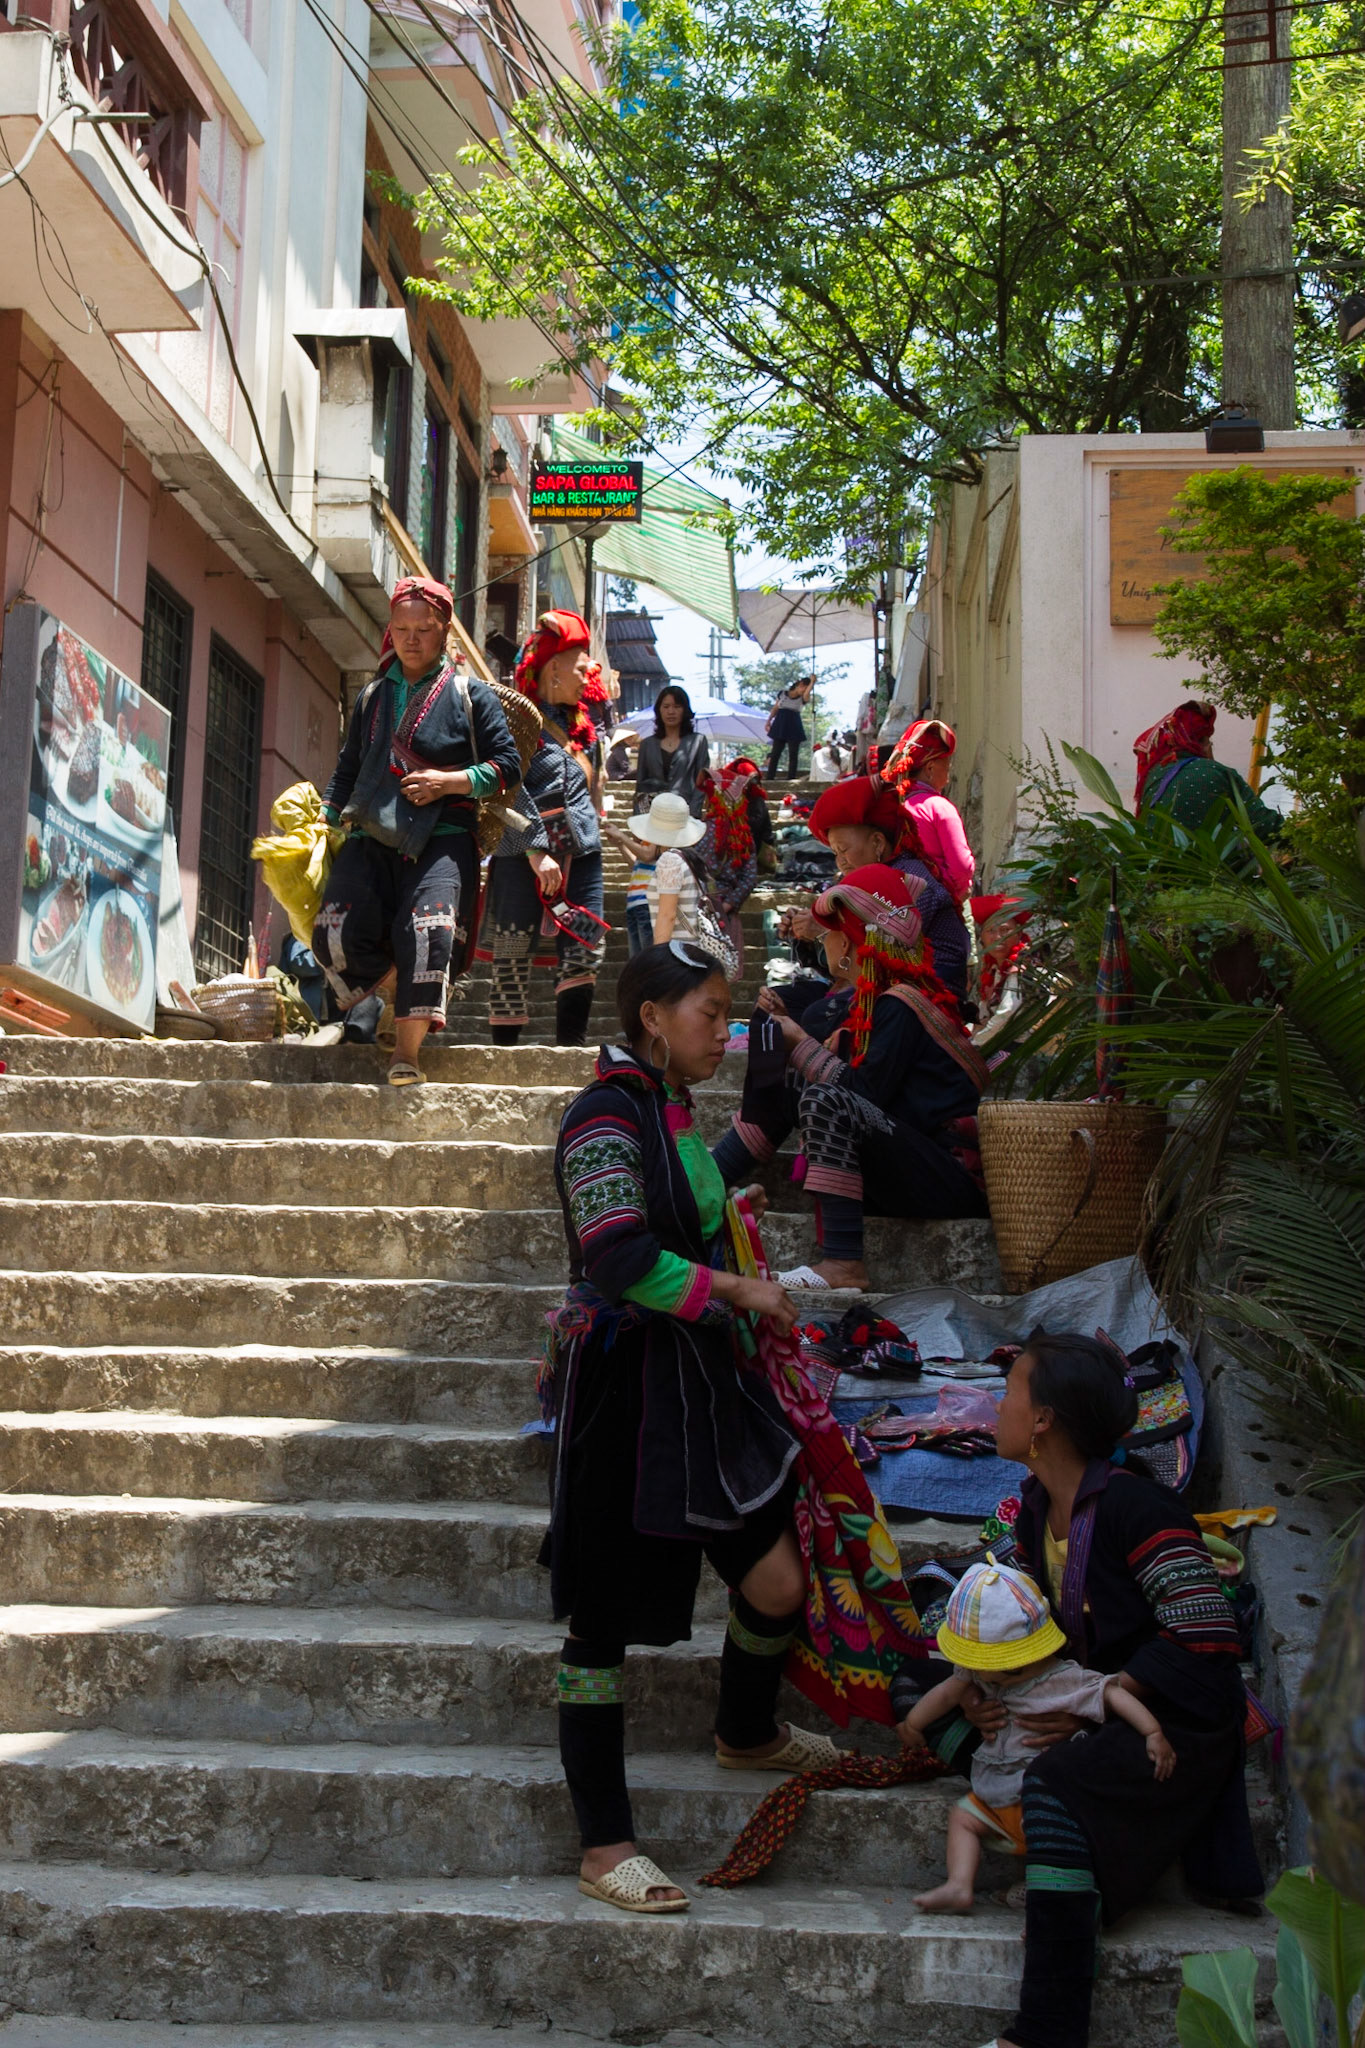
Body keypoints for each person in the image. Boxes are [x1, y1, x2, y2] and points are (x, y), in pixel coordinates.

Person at [544, 943, 843, 1914]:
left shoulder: (666, 1112)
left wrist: (741, 1184)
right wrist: (742, 1284)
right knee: (598, 1628)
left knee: (776, 1576)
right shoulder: (600, 1114)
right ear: (650, 1020)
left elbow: (682, 1203)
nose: (724, 1029)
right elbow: (621, 1253)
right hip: (627, 1397)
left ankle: (746, 1727)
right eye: (709, 1013)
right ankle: (605, 1843)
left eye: (727, 1013)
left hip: (701, 1386)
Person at [969, 1333, 1262, 2048]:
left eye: (1009, 1392)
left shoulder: (1139, 1509)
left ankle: (1046, 2031)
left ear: (1042, 1422)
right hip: (1089, 1701)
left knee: (1053, 1783)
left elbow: (1206, 1635)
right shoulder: (1036, 1509)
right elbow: (1026, 1629)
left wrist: (1092, 1704)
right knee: (928, 1695)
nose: (995, 1407)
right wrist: (986, 1688)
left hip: (1172, 1721)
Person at [713, 864, 988, 1290]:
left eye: (830, 933)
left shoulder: (901, 1005)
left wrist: (801, 1041)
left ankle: (843, 1262)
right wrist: (794, 1044)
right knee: (792, 1074)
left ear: (851, 944)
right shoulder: (878, 1002)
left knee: (827, 1098)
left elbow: (864, 1097)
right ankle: (706, 1182)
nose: (826, 942)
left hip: (943, 1176)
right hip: (902, 1163)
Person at [314, 575, 522, 1085]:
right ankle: (392, 988)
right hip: (369, 834)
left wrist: (450, 781)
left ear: (444, 630)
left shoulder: (471, 696)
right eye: (402, 628)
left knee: (430, 932)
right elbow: (348, 768)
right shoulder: (370, 698)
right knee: (331, 929)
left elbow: (509, 765)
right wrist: (323, 819)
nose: (411, 639)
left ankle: (405, 1053)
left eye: (424, 630)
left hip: (445, 837)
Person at [897, 1557, 1174, 1914]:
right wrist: (914, 1724)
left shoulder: (1064, 1680)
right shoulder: (985, 1673)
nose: (974, 1673)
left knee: (1056, 1835)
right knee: (963, 1817)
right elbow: (947, 1692)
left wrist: (1152, 1732)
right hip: (995, 1798)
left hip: (1040, 1803)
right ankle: (959, 1885)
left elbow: (1113, 1692)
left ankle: (1049, 1894)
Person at [480, 609, 607, 1047]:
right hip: (522, 855)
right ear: (553, 668)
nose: (588, 672)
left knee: (587, 945)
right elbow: (505, 789)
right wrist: (535, 849)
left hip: (582, 852)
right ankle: (504, 1053)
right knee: (512, 952)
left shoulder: (583, 731)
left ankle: (571, 1049)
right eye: (579, 663)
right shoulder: (516, 720)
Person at [805, 775, 969, 1001]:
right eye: (835, 854)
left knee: (819, 1015)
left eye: (844, 850)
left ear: (878, 843)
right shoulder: (872, 884)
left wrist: (825, 930)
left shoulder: (909, 879)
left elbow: (887, 946)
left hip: (931, 993)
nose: (840, 861)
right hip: (896, 985)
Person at [1133, 699, 1282, 836]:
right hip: (1205, 864)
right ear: (1202, 744)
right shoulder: (1216, 772)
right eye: (1210, 742)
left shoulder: (1153, 775)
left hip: (1154, 863)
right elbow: (1262, 824)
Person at [881, 717, 975, 903]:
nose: (948, 777)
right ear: (930, 769)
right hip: (940, 903)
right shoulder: (938, 807)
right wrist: (959, 892)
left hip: (899, 907)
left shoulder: (893, 807)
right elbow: (962, 867)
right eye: (946, 768)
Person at [696, 756, 774, 975]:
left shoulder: (697, 831)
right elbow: (750, 878)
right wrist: (727, 905)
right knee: (722, 973)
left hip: (697, 908)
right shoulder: (744, 835)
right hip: (727, 914)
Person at [629, 791, 709, 945]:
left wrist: (659, 955)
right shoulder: (688, 858)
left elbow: (667, 915)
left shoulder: (669, 861)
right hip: (691, 951)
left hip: (677, 953)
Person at [634, 686, 711, 807]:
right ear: (659, 710)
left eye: (677, 707)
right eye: (666, 707)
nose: (671, 712)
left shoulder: (698, 741)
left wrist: (693, 814)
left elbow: (701, 783)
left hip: (685, 812)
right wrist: (640, 818)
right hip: (654, 813)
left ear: (685, 710)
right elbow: (641, 786)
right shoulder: (647, 744)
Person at [602, 814, 657, 956]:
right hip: (635, 904)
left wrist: (621, 836)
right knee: (637, 960)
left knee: (647, 957)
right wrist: (620, 844)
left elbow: (647, 855)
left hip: (646, 903)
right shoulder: (647, 841)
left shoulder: (659, 836)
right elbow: (636, 864)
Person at [766, 673, 814, 780]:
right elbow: (775, 708)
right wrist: (769, 720)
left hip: (794, 724)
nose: (804, 691)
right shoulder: (783, 694)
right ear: (800, 685)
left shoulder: (803, 698)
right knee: (775, 753)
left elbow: (806, 695)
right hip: (780, 723)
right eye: (804, 688)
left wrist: (812, 682)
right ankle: (770, 776)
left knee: (793, 753)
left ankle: (791, 777)